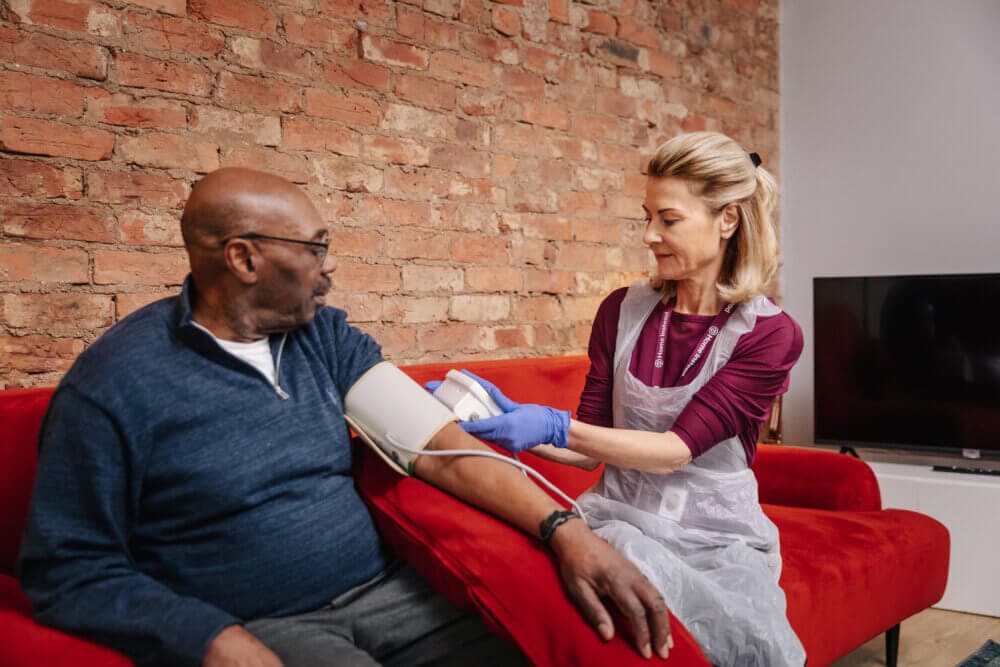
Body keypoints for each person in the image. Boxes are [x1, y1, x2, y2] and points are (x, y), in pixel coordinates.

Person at [16, 167, 674, 667]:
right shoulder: (114, 384)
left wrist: (565, 529)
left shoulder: (322, 338)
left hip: (393, 594)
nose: (328, 266)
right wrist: (213, 638)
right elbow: (70, 569)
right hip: (265, 622)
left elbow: (433, 442)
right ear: (244, 258)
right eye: (313, 247)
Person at [443, 132, 808, 666]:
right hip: (617, 517)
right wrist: (496, 419)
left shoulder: (769, 335)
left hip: (715, 540)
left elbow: (677, 449)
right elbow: (588, 453)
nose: (649, 235)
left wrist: (552, 426)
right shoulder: (622, 310)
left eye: (668, 219)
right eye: (647, 216)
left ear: (727, 220)